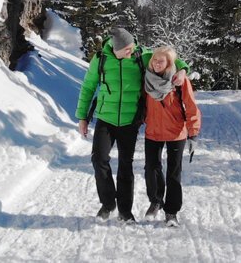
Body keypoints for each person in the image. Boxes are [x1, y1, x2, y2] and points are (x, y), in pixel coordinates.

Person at [75, 27, 188, 222]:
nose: (131, 50)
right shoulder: (100, 58)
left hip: (130, 120)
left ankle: (125, 211)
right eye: (126, 49)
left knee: (125, 165)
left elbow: (168, 58)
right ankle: (108, 203)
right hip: (105, 118)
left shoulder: (140, 55)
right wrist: (82, 117)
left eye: (132, 46)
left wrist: (183, 70)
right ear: (115, 49)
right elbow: (88, 87)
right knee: (99, 159)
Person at [142, 46, 201, 227]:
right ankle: (156, 201)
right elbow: (140, 52)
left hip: (176, 132)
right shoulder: (147, 77)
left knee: (173, 173)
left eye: (162, 61)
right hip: (153, 130)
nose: (157, 63)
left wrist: (193, 134)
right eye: (155, 60)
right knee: (151, 168)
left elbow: (191, 106)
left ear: (170, 64)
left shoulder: (179, 81)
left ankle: (171, 212)